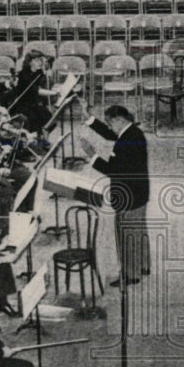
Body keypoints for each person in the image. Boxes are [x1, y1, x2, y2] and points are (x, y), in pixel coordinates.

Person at [79, 102, 151, 287]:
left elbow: (113, 170)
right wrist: (91, 120)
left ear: (118, 121)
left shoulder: (126, 142)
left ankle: (131, 274)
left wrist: (92, 156)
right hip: (139, 193)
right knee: (138, 231)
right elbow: (111, 134)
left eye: (110, 123)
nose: (110, 128)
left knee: (126, 234)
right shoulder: (131, 132)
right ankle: (143, 265)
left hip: (129, 195)